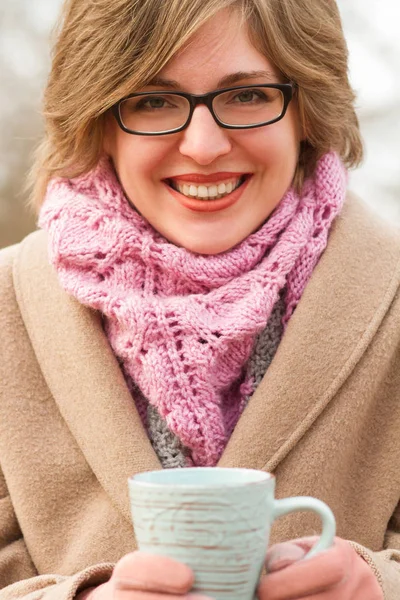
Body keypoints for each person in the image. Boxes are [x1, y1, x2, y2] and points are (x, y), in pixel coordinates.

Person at [0, 0, 399, 598]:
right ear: (99, 119)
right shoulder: (8, 304)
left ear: (308, 111)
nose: (204, 146)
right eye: (153, 101)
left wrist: (378, 584)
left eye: (248, 96)